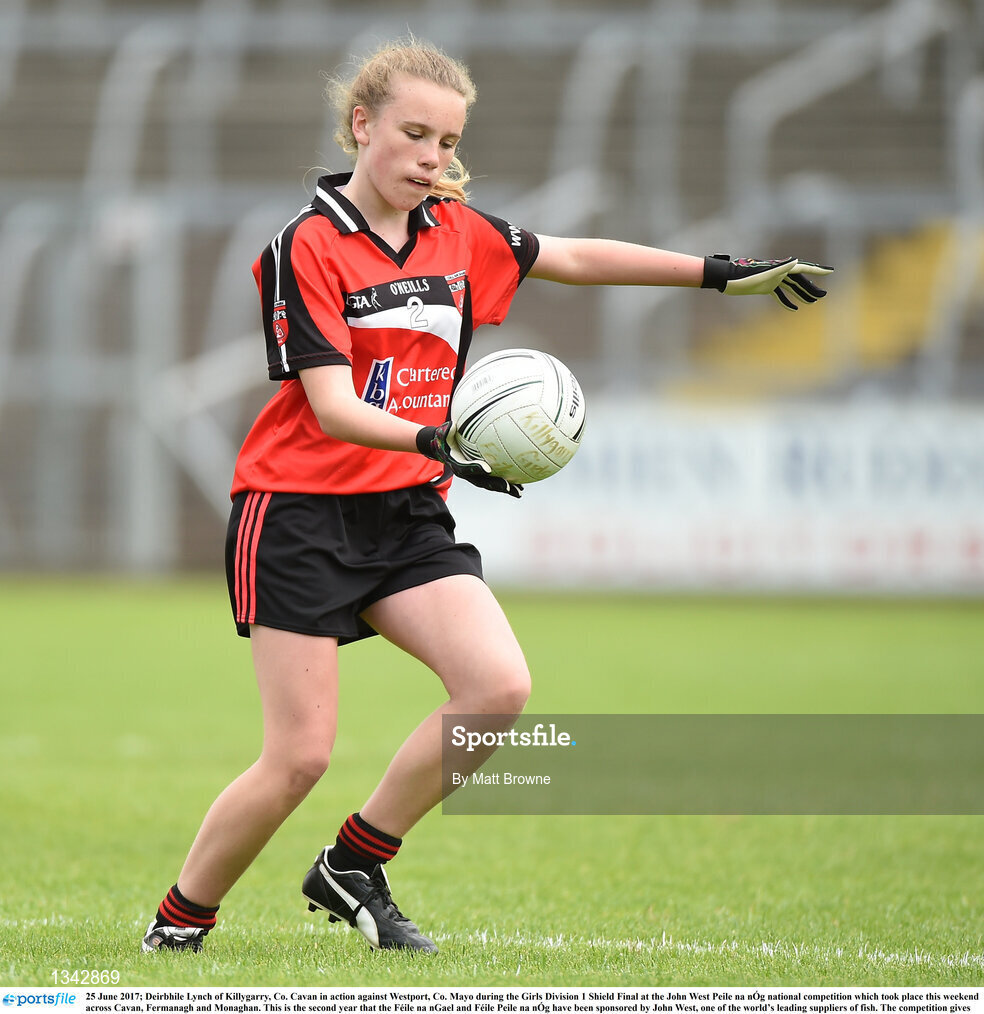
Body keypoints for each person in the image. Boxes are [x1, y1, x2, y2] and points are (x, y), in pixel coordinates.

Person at [141, 37, 831, 956]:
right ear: (362, 125)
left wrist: (716, 271)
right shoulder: (304, 247)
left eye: (446, 140)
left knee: (498, 687)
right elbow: (334, 408)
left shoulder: (456, 230)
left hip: (408, 510)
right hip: (298, 512)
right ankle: (178, 922)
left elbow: (573, 256)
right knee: (298, 756)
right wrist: (441, 439)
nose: (431, 158)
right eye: (413, 134)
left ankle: (354, 864)